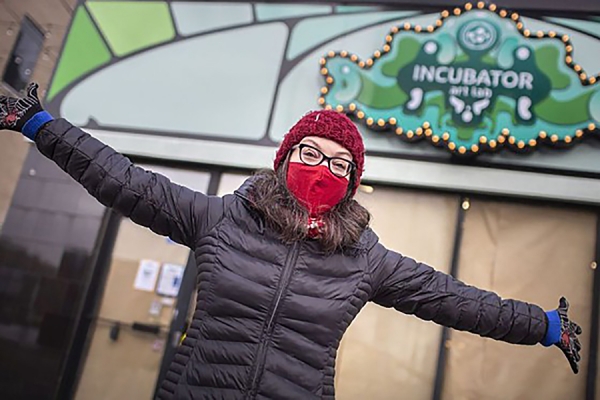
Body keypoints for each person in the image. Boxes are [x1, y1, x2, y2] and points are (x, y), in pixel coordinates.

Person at [0, 84, 582, 400]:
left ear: (352, 183)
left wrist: (545, 326)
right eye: (309, 154)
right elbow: (126, 181)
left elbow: (452, 298)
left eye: (338, 163)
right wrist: (40, 125)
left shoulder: (365, 260)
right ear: (284, 162)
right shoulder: (222, 219)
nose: (321, 169)